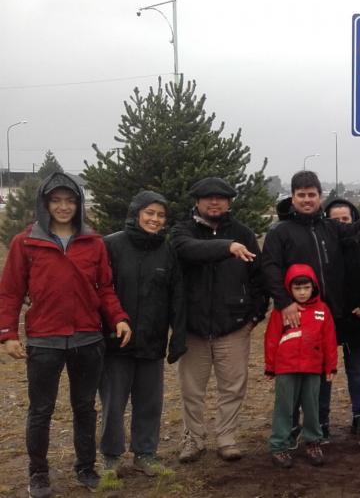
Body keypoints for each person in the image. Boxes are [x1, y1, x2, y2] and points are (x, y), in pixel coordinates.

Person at [0, 172, 132, 497]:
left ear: (79, 204)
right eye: (56, 200)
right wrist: (7, 334)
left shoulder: (93, 243)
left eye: (70, 200)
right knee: (40, 410)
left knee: (85, 407)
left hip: (88, 339)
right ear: (45, 203)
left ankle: (86, 468)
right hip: (44, 341)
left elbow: (105, 288)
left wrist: (119, 317)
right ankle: (39, 473)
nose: (63, 207)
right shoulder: (25, 242)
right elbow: (10, 293)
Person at [262, 170, 360, 444]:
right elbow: (269, 268)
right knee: (297, 376)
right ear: (292, 197)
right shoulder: (281, 232)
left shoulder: (331, 228)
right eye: (301, 195)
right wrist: (285, 302)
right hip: (296, 316)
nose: (306, 200)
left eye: (311, 195)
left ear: (319, 197)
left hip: (327, 314)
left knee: (323, 371)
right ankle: (290, 426)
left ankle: (320, 425)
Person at [171, 177, 267, 463]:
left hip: (234, 326)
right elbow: (187, 249)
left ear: (229, 202)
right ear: (197, 201)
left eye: (221, 198)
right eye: (208, 197)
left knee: (233, 386)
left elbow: (258, 277)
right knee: (191, 390)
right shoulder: (182, 231)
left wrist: (254, 316)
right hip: (193, 327)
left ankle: (227, 438)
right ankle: (194, 440)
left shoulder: (244, 234)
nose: (215, 202)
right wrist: (227, 247)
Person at [99, 191, 187, 479]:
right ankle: (111, 457)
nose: (155, 219)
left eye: (161, 215)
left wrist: (178, 335)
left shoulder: (167, 250)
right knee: (113, 403)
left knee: (150, 403)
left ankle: (145, 453)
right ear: (136, 213)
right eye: (149, 213)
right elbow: (101, 290)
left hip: (152, 341)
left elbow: (177, 295)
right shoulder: (111, 245)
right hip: (115, 343)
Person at [264, 264, 337, 468]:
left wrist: (330, 367)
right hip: (286, 368)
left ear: (313, 287)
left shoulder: (322, 310)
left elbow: (329, 340)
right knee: (284, 407)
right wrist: (270, 366)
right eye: (297, 288)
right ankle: (279, 446)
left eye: (306, 287)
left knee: (312, 407)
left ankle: (313, 441)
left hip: (313, 369)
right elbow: (271, 338)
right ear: (290, 289)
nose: (302, 292)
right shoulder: (282, 311)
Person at [324, 199, 360, 435]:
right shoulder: (323, 250)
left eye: (346, 219)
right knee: (325, 372)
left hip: (357, 319)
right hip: (328, 320)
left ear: (354, 220)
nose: (341, 224)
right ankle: (322, 417)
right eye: (336, 220)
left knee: (355, 369)